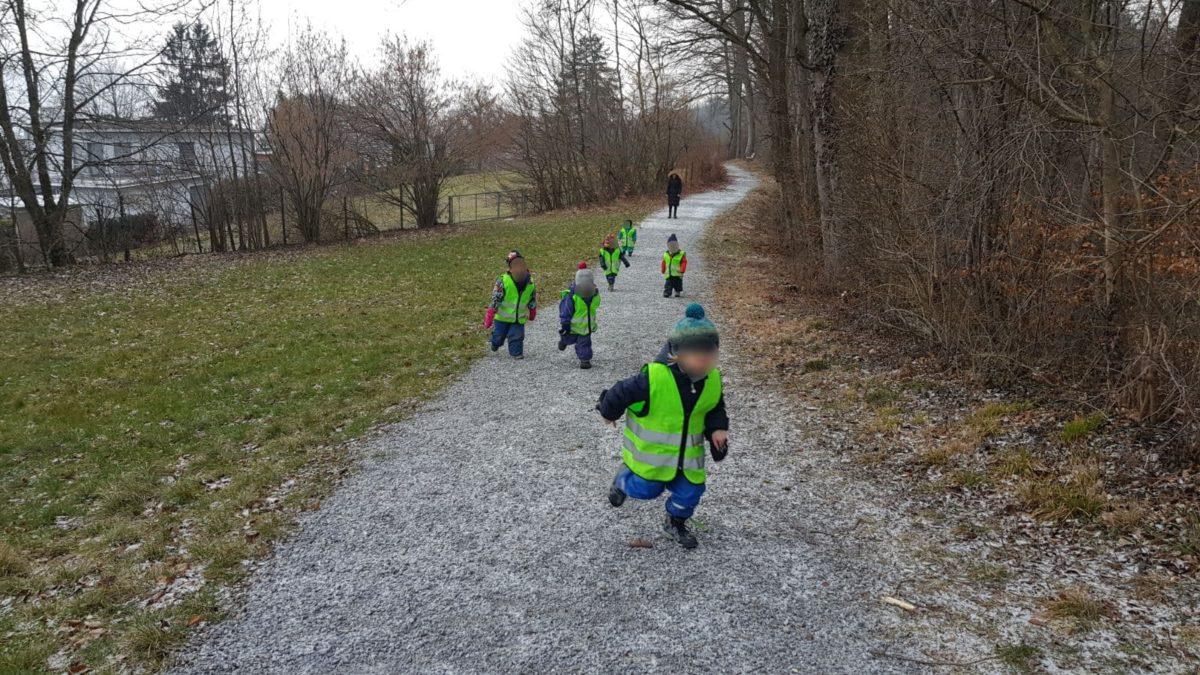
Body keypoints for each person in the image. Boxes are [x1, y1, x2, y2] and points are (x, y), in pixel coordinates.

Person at [596, 303, 729, 549]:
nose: (704, 361)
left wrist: (717, 429)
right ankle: (622, 481)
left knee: (692, 491)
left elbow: (714, 407)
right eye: (696, 355)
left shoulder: (712, 381)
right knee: (646, 490)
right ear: (677, 353)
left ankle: (675, 521)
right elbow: (620, 392)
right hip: (652, 460)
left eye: (710, 354)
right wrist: (608, 411)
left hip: (687, 461)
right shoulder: (654, 378)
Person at [484, 250, 537, 359]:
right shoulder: (503, 281)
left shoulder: (530, 282)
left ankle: (516, 353)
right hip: (502, 318)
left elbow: (532, 298)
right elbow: (496, 299)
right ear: (510, 268)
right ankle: (495, 343)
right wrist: (490, 315)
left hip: (518, 318)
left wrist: (532, 311)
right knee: (499, 336)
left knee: (517, 336)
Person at [557, 262, 601, 369]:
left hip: (586, 327)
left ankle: (585, 360)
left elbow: (595, 305)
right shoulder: (572, 297)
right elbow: (566, 311)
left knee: (584, 343)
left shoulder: (594, 295)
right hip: (572, 326)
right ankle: (563, 341)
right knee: (569, 337)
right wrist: (565, 324)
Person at [661, 233, 687, 298]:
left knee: (678, 284)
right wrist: (663, 269)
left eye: (674, 245)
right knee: (668, 284)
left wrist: (682, 269)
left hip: (678, 273)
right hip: (669, 274)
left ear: (677, 245)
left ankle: (677, 291)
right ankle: (667, 292)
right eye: (670, 245)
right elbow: (664, 262)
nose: (672, 247)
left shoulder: (681, 254)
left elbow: (684, 262)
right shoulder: (666, 254)